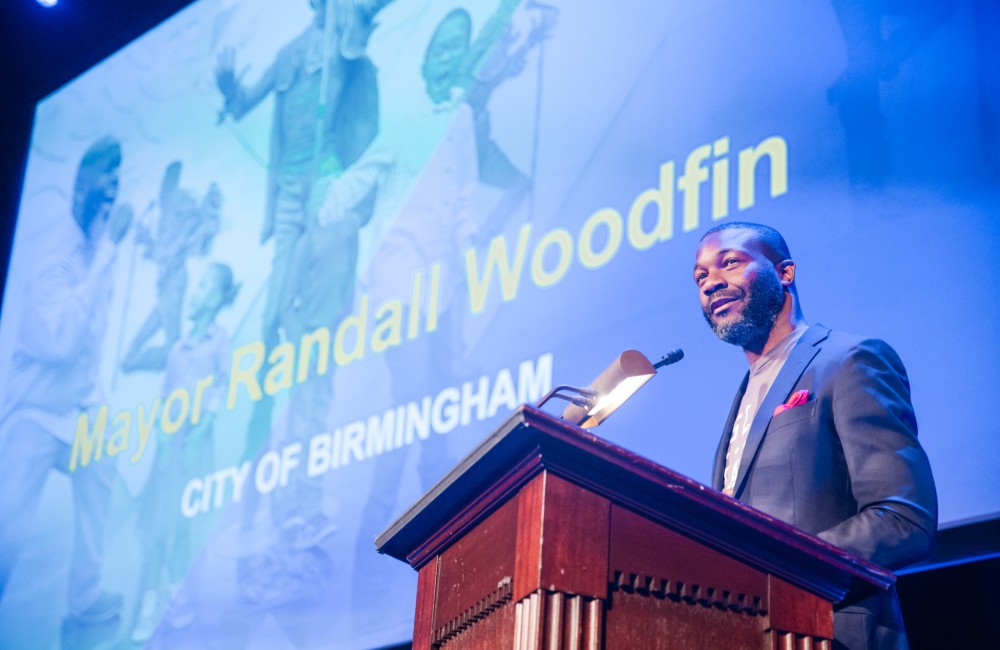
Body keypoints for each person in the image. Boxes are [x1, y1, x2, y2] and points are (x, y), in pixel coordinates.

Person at [692, 221, 937, 649]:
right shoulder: (743, 397)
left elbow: (904, 520)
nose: (712, 283)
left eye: (729, 263)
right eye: (700, 277)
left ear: (785, 272)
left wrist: (775, 568)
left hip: (829, 632)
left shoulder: (849, 361)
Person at [0, 137, 132, 627]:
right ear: (84, 194)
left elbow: (92, 341)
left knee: (103, 462)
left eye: (116, 192)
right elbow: (59, 341)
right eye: (105, 192)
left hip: (77, 411)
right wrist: (107, 255)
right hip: (35, 413)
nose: (111, 203)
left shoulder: (97, 251)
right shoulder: (53, 262)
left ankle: (86, 595)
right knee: (9, 523)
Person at [130, 262, 238, 643]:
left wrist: (201, 432)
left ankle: (177, 597)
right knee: (156, 529)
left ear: (219, 297)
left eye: (206, 286)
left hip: (195, 444)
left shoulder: (219, 341)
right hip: (167, 447)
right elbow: (165, 397)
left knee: (179, 527)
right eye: (197, 285)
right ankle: (152, 600)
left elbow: (220, 390)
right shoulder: (178, 347)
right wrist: (159, 432)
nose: (196, 292)